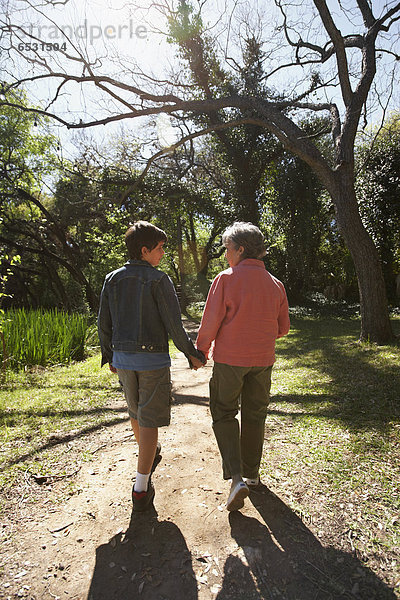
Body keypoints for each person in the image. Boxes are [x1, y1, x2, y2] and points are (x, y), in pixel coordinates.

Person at [98, 221, 205, 511]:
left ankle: (149, 453)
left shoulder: (112, 278)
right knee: (149, 421)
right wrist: (191, 353)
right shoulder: (159, 280)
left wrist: (110, 356)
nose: (162, 253)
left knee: (135, 412)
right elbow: (173, 323)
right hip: (152, 362)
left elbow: (103, 322)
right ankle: (141, 486)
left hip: (123, 360)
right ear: (144, 250)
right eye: (159, 248)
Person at [196, 222, 290, 511]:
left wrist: (201, 350)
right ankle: (252, 474)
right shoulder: (276, 284)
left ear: (240, 249)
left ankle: (236, 478)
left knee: (223, 412)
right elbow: (283, 328)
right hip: (262, 361)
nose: (226, 256)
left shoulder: (226, 279)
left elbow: (211, 322)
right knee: (255, 414)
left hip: (230, 361)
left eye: (227, 249)